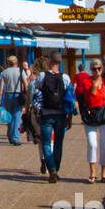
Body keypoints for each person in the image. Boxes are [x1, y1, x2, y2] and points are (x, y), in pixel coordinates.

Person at [34, 52, 71, 183]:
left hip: (46, 113)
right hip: (61, 114)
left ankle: (52, 169)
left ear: (50, 61)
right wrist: (70, 117)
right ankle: (56, 168)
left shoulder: (42, 76)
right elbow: (69, 98)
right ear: (60, 62)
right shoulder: (65, 78)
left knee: (46, 143)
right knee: (58, 143)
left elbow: (36, 91)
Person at [76, 59, 105, 184]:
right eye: (94, 69)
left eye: (99, 68)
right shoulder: (86, 81)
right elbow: (91, 94)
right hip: (91, 115)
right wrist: (95, 84)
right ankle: (92, 172)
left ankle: (104, 172)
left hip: (104, 115)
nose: (96, 71)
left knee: (104, 145)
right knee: (92, 144)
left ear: (102, 69)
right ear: (90, 70)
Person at [0, 54, 27, 146]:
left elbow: (1, 87)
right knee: (17, 117)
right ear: (16, 62)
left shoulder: (4, 72)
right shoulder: (21, 71)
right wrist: (28, 96)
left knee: (9, 116)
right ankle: (15, 138)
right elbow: (25, 85)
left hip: (8, 95)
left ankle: (10, 135)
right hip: (18, 95)